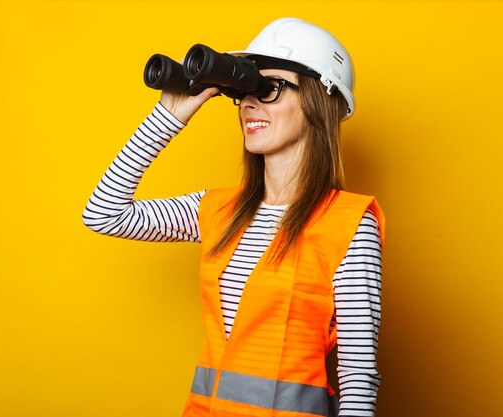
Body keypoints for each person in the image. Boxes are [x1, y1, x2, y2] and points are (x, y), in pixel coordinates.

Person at [83, 17, 385, 417]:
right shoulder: (219, 210)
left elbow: (358, 375)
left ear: (317, 100)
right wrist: (167, 118)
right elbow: (104, 214)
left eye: (269, 88)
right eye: (244, 89)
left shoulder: (348, 222)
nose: (249, 102)